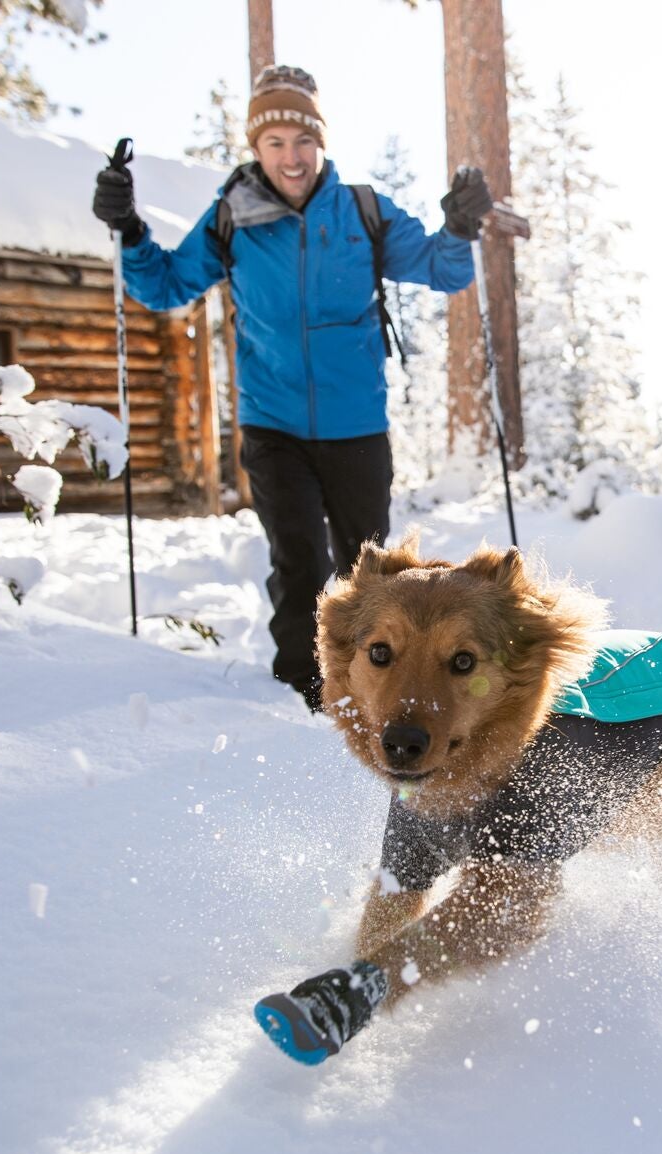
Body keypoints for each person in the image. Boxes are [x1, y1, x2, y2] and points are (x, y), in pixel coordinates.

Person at [91, 65, 492, 711]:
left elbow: (444, 271)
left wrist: (460, 227)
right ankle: (301, 693)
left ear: (320, 144)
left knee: (370, 573)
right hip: (272, 423)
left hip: (356, 423)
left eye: (302, 141)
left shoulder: (361, 211)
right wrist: (130, 230)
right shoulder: (234, 217)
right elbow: (165, 285)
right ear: (257, 150)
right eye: (274, 143)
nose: (291, 157)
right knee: (298, 558)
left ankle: (371, 690)